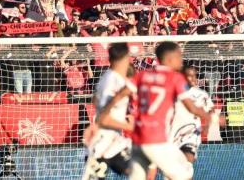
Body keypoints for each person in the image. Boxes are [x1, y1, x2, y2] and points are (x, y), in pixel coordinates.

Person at [99, 42, 211, 180]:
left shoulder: (143, 75)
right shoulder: (175, 78)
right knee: (185, 174)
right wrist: (212, 118)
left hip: (138, 139)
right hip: (157, 139)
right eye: (179, 56)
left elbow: (120, 95)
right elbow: (192, 107)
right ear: (169, 59)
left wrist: (103, 114)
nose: (181, 60)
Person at [148, 66, 213, 179]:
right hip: (172, 135)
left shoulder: (201, 94)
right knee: (175, 172)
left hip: (191, 135)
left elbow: (210, 110)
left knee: (187, 165)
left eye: (194, 76)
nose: (192, 79)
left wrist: (208, 124)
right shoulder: (172, 92)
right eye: (189, 76)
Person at [83, 43, 135, 180]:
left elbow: (95, 100)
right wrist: (129, 126)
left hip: (114, 142)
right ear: (126, 58)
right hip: (101, 143)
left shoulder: (110, 77)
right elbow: (104, 119)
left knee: (139, 171)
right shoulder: (113, 81)